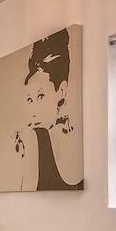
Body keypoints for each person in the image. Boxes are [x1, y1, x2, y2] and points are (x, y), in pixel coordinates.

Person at [15, 28, 84, 191]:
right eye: (30, 99)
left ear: (61, 91)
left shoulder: (34, 138)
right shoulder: (34, 137)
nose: (33, 109)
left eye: (41, 96)